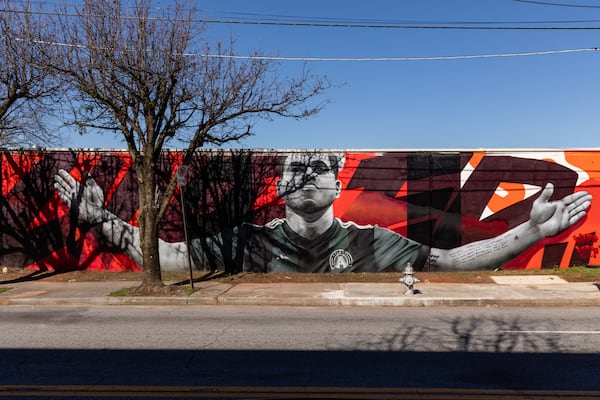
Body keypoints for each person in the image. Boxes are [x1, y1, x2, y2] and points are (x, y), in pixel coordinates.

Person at [54, 152, 593, 273]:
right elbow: (170, 260)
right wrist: (101, 221)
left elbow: (453, 263)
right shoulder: (246, 241)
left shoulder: (374, 242)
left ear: (339, 182)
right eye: (294, 169)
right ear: (280, 184)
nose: (304, 175)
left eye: (316, 167)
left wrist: (529, 231)